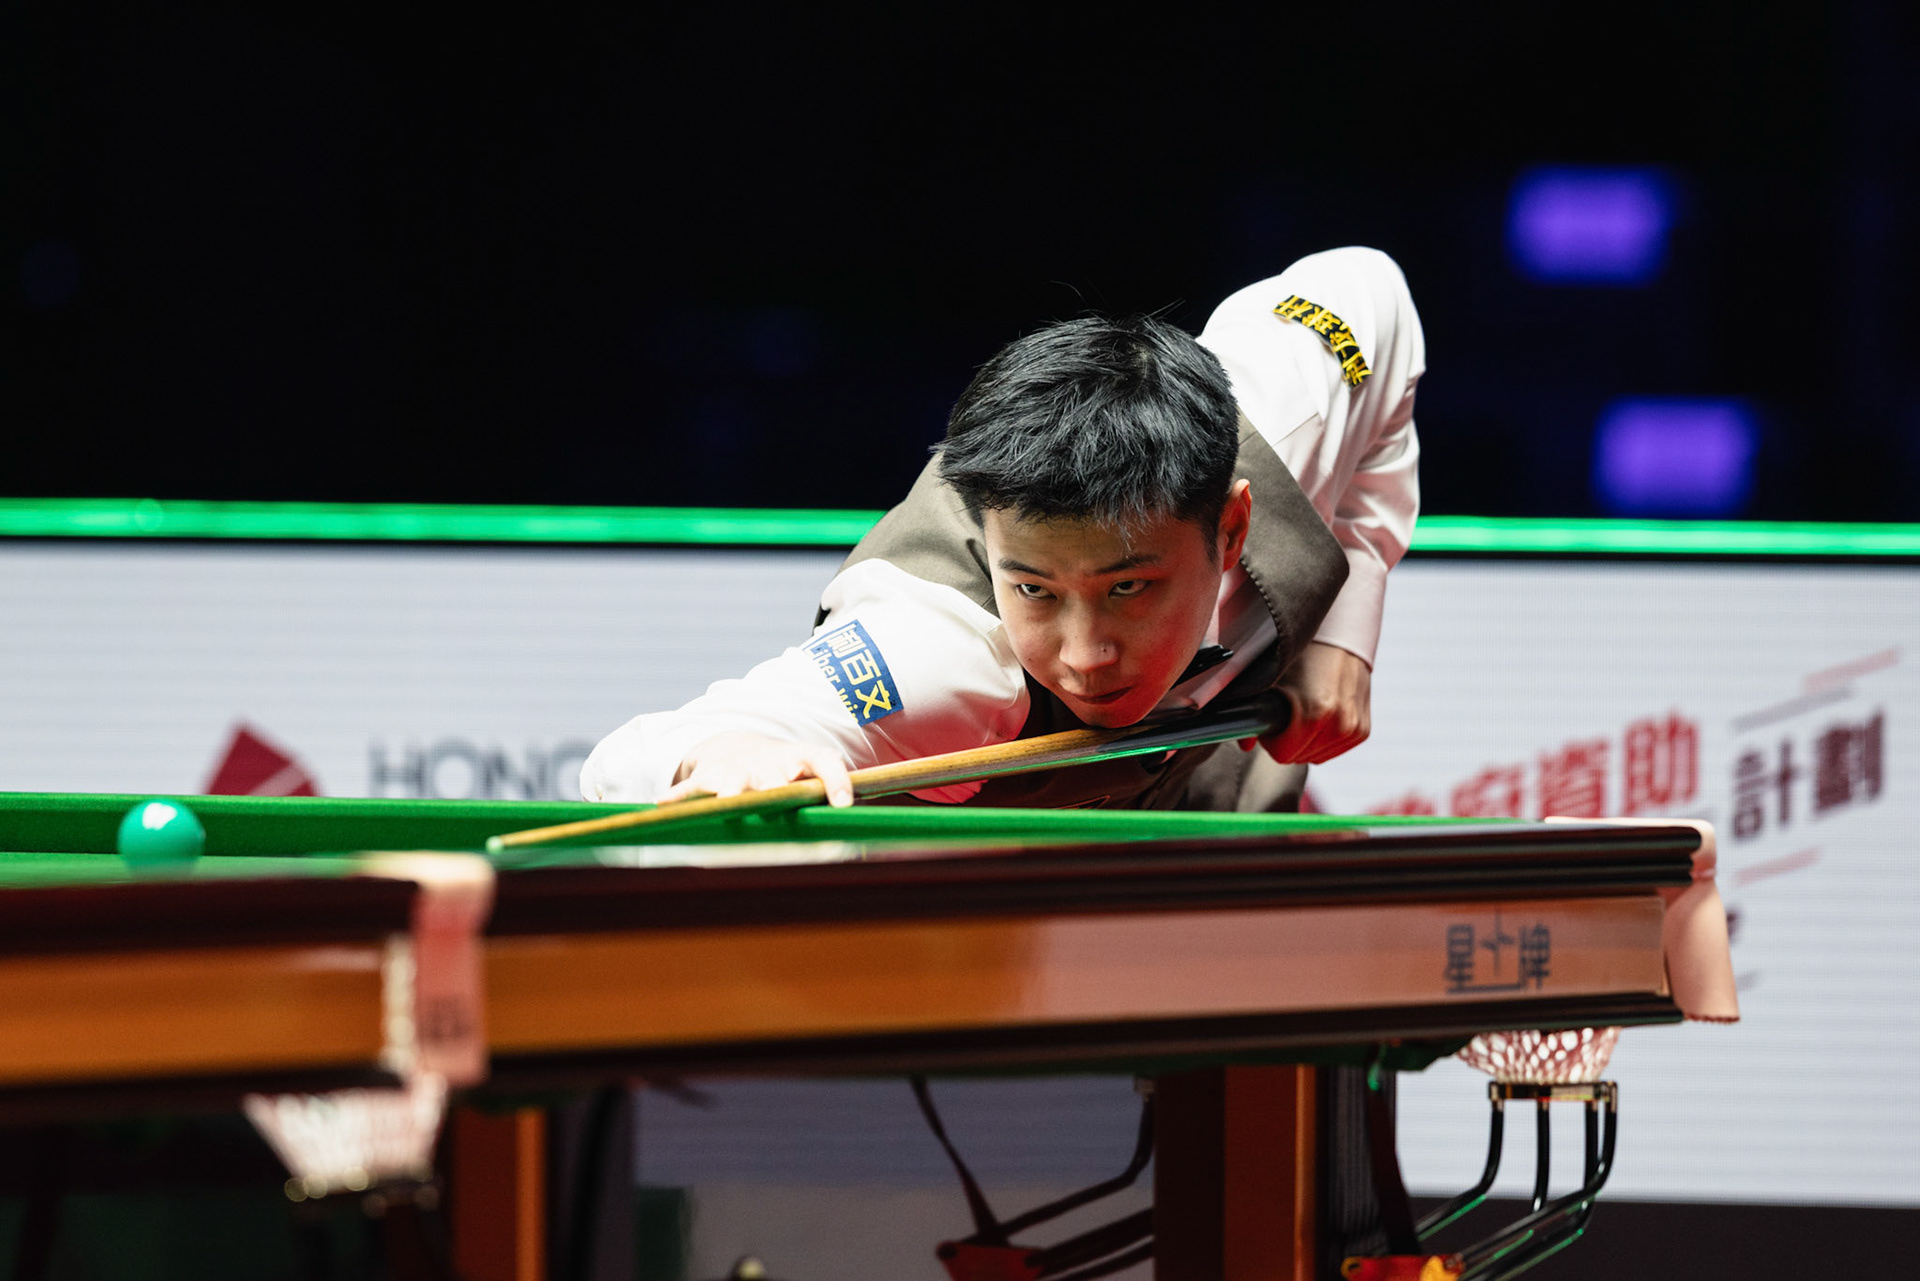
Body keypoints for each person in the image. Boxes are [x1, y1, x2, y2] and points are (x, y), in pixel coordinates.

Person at [581, 246, 1423, 811]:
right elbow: (633, 759)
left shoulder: (1290, 404)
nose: (1087, 654)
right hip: (999, 902)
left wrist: (1344, 632)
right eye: (1035, 589)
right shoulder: (936, 651)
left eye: (1129, 587)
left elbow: (1373, 287)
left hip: (1223, 797)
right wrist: (726, 755)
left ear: (1231, 526)